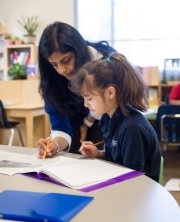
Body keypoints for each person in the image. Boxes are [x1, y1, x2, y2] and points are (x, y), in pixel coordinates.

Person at [70, 52, 161, 182]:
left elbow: (132, 178)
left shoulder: (132, 128)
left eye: (89, 98)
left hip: (140, 194)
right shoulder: (109, 119)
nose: (86, 104)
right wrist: (98, 154)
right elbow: (119, 159)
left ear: (110, 93)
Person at [36, 21, 116, 156]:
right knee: (72, 153)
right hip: (74, 120)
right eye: (54, 65)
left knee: (102, 152)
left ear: (78, 51)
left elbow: (115, 102)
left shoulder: (106, 60)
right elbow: (61, 128)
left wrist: (88, 121)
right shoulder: (51, 81)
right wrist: (54, 145)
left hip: (105, 117)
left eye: (66, 60)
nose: (62, 70)